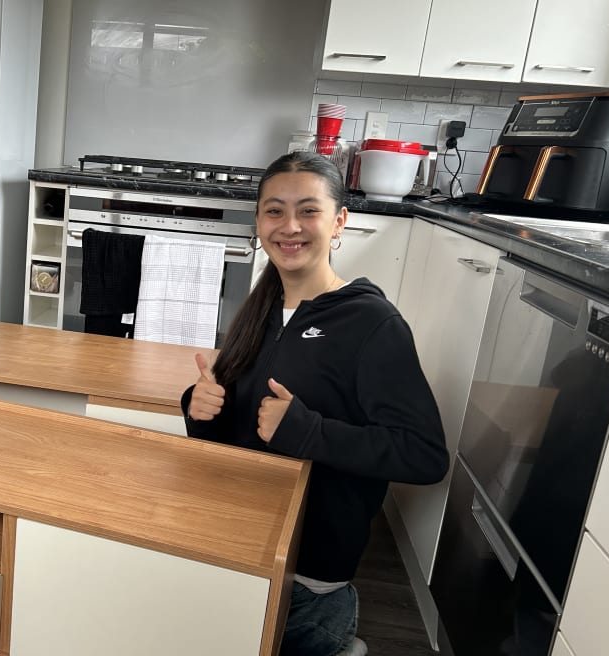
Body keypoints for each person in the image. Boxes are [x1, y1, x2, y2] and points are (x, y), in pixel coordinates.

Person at [182, 151, 447, 656]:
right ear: (258, 221)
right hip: (242, 546)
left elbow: (424, 455)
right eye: (274, 211)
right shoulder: (260, 310)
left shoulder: (373, 324)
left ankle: (339, 641)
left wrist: (308, 431)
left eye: (308, 210)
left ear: (339, 221)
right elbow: (245, 429)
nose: (290, 226)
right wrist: (201, 408)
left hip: (307, 582)